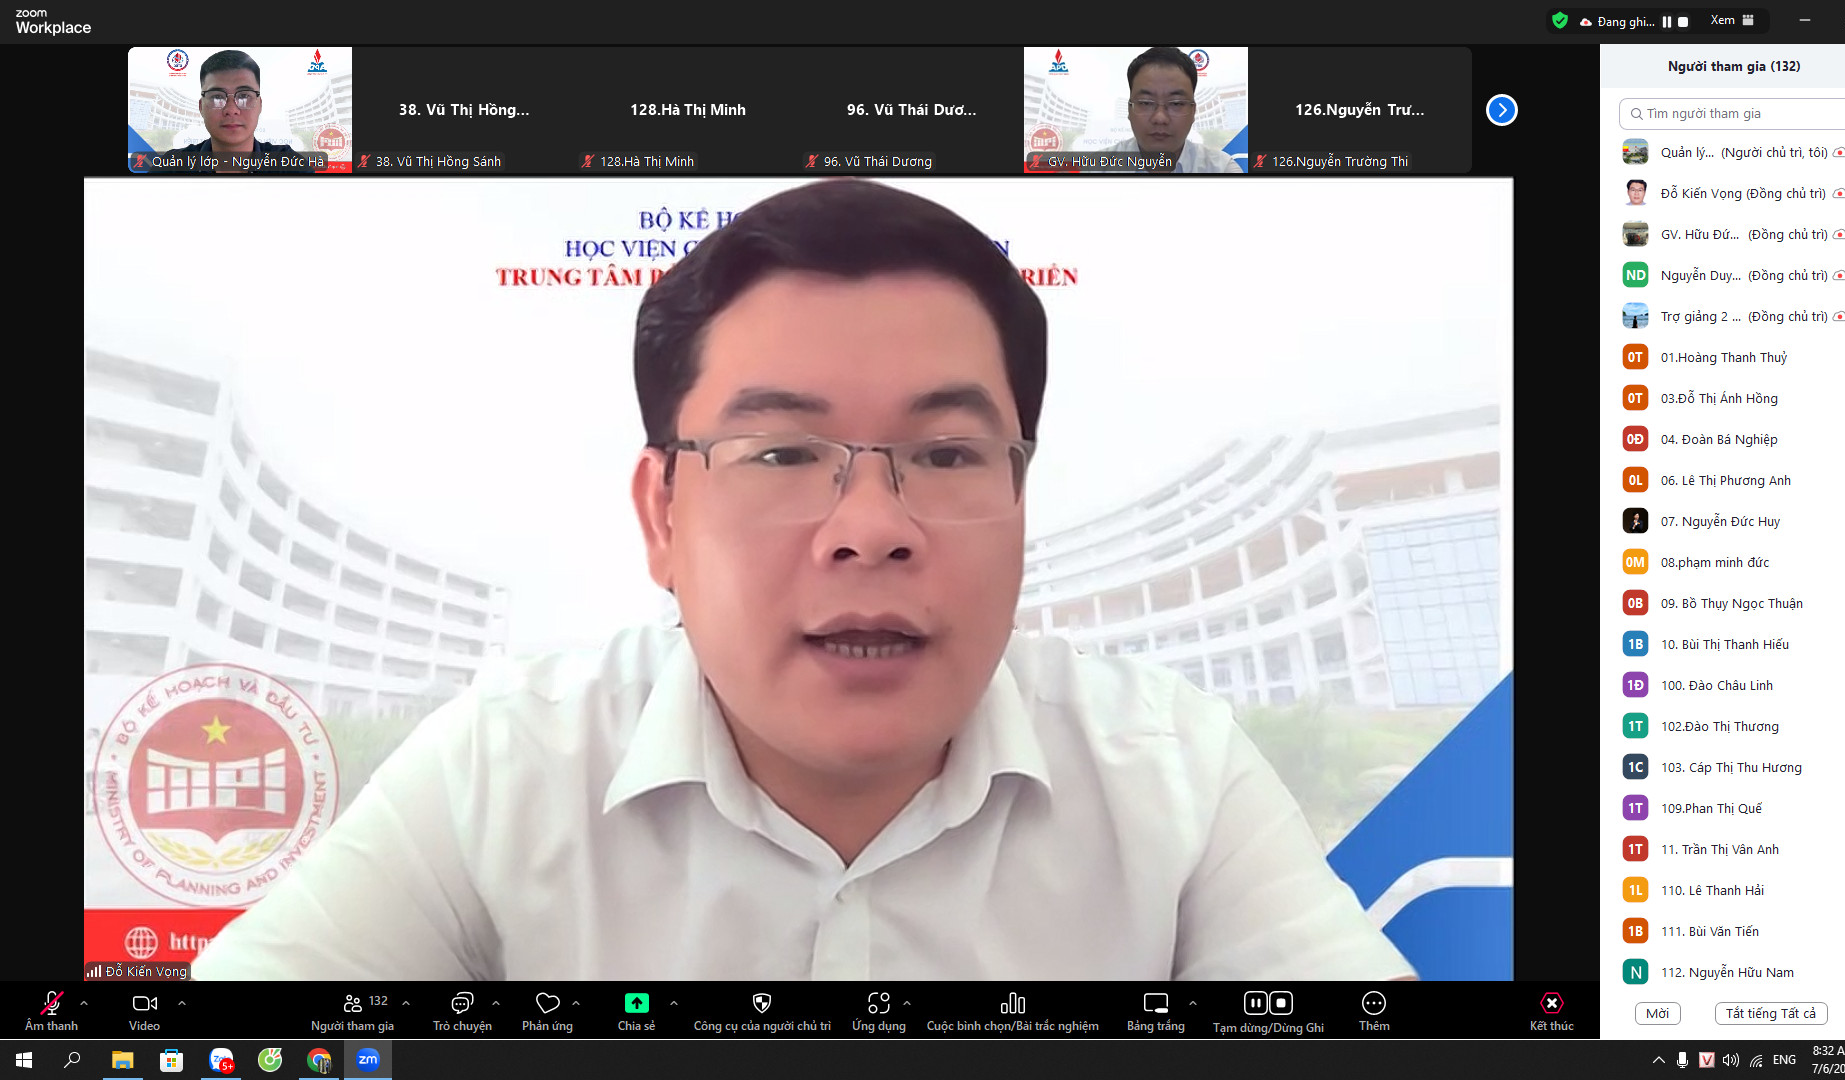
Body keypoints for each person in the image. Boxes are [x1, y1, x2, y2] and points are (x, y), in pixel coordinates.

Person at [190, 179, 1414, 981]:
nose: (870, 531)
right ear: (663, 514)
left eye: (946, 455)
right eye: (781, 454)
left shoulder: (1175, 778)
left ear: (1020, 497)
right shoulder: (506, 768)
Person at [150, 50, 315, 174]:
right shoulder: (170, 167)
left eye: (244, 96)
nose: (231, 110)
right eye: (217, 97)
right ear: (201, 107)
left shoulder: (290, 166)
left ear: (260, 105)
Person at [1101, 47, 1240, 174]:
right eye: (1145, 102)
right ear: (1129, 109)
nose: (1160, 118)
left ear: (1193, 111)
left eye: (1176, 103)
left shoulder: (1222, 169)